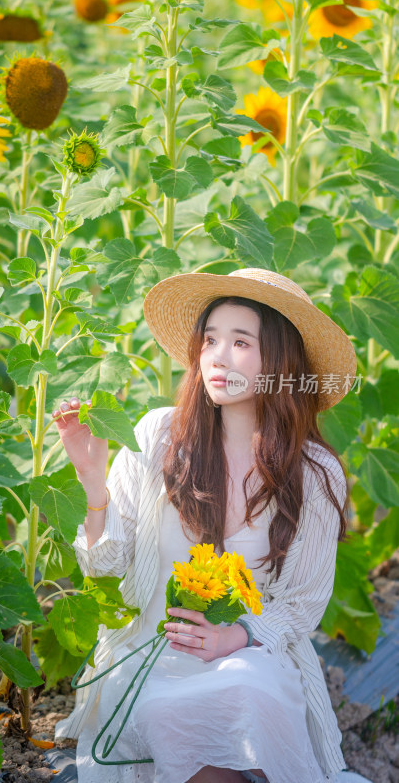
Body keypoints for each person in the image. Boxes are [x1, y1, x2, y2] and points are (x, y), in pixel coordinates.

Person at [52, 267, 365, 783]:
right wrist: (92, 484)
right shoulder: (156, 437)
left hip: (250, 657)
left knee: (248, 691)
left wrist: (235, 637)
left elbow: (302, 605)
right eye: (211, 339)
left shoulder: (312, 471)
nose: (218, 356)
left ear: (279, 362)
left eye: (241, 342)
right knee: (172, 712)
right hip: (155, 656)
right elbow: (105, 564)